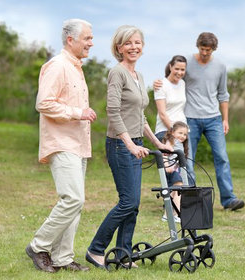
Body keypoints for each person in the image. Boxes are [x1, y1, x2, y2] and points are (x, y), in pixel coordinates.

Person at [85, 25, 172, 269]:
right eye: (128, 43)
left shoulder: (138, 75)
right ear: (119, 48)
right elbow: (112, 111)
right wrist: (130, 144)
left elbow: (140, 115)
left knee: (132, 206)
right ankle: (96, 249)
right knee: (128, 202)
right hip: (120, 145)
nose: (134, 47)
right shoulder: (117, 73)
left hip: (137, 144)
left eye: (137, 43)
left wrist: (158, 144)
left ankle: (123, 254)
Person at [25, 19, 97, 273]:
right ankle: (38, 245)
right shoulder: (57, 66)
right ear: (71, 40)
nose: (91, 42)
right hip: (62, 142)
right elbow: (44, 103)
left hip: (78, 144)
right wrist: (78, 112)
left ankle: (63, 257)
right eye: (87, 38)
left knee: (75, 204)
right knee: (72, 198)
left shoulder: (76, 68)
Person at [154, 32, 245, 211]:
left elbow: (223, 94)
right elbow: (174, 78)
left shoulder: (220, 66)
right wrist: (158, 83)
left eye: (208, 50)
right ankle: (189, 198)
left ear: (214, 49)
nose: (205, 53)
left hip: (213, 118)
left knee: (222, 158)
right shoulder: (187, 63)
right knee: (187, 159)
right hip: (190, 120)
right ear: (198, 46)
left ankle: (228, 200)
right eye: (202, 49)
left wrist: (225, 119)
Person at [161, 121, 189, 223]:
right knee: (178, 191)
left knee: (173, 193)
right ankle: (176, 214)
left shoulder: (180, 144)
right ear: (173, 132)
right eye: (180, 133)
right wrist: (167, 166)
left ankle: (166, 215)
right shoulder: (171, 141)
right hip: (171, 171)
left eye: (185, 134)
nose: (182, 136)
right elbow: (164, 154)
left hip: (176, 171)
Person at [154, 55, 187, 142]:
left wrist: (181, 133)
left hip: (182, 131)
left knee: (188, 156)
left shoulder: (182, 83)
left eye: (182, 70)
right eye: (177, 69)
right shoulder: (161, 85)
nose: (179, 72)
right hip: (165, 131)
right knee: (170, 156)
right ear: (170, 67)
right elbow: (162, 114)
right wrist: (174, 132)